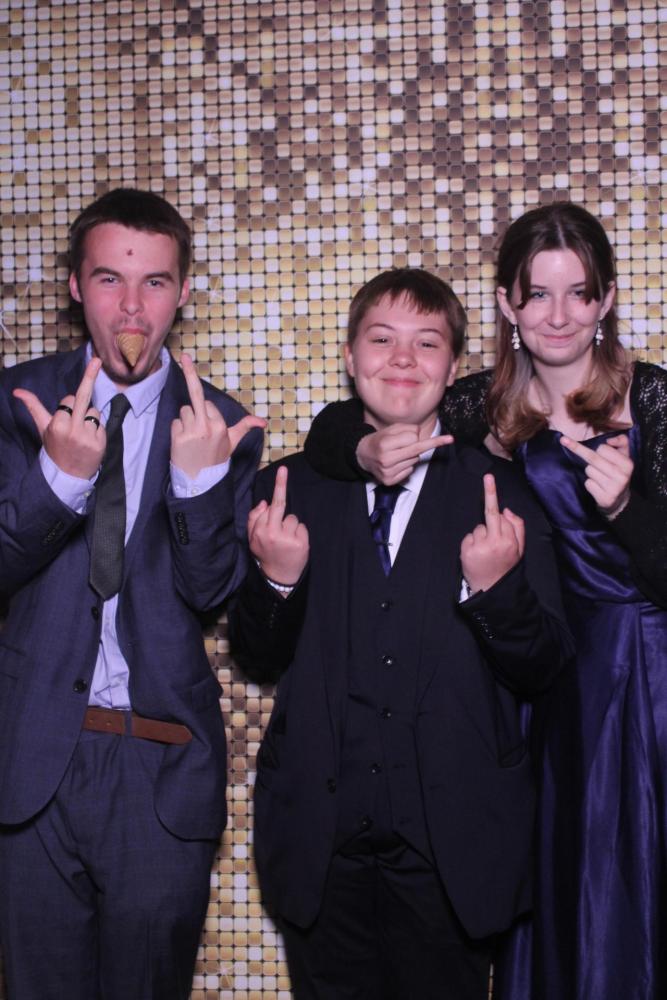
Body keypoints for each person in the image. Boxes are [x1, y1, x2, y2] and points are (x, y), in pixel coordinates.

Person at [303, 204, 667, 999]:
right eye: (537, 294)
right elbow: (333, 429)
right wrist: (361, 448)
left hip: (643, 678)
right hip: (539, 680)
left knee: (635, 879)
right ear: (507, 303)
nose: (558, 315)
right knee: (554, 883)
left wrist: (627, 510)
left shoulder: (652, 402)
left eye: (579, 293)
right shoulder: (486, 405)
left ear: (606, 300)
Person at [229, 268, 572, 1000]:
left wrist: (496, 592)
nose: (403, 359)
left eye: (427, 342)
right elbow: (256, 654)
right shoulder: (285, 489)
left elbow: (545, 667)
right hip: (320, 840)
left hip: (454, 846)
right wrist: (279, 580)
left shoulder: (507, 493)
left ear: (453, 366)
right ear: (350, 357)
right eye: (382, 340)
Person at [0, 187, 264, 1000]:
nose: (131, 307)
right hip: (31, 763)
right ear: (75, 286)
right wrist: (56, 484)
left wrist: (197, 488)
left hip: (161, 768)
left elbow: (211, 592)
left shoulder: (219, 425)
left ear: (182, 292)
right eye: (109, 279)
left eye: (154, 282)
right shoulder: (14, 405)